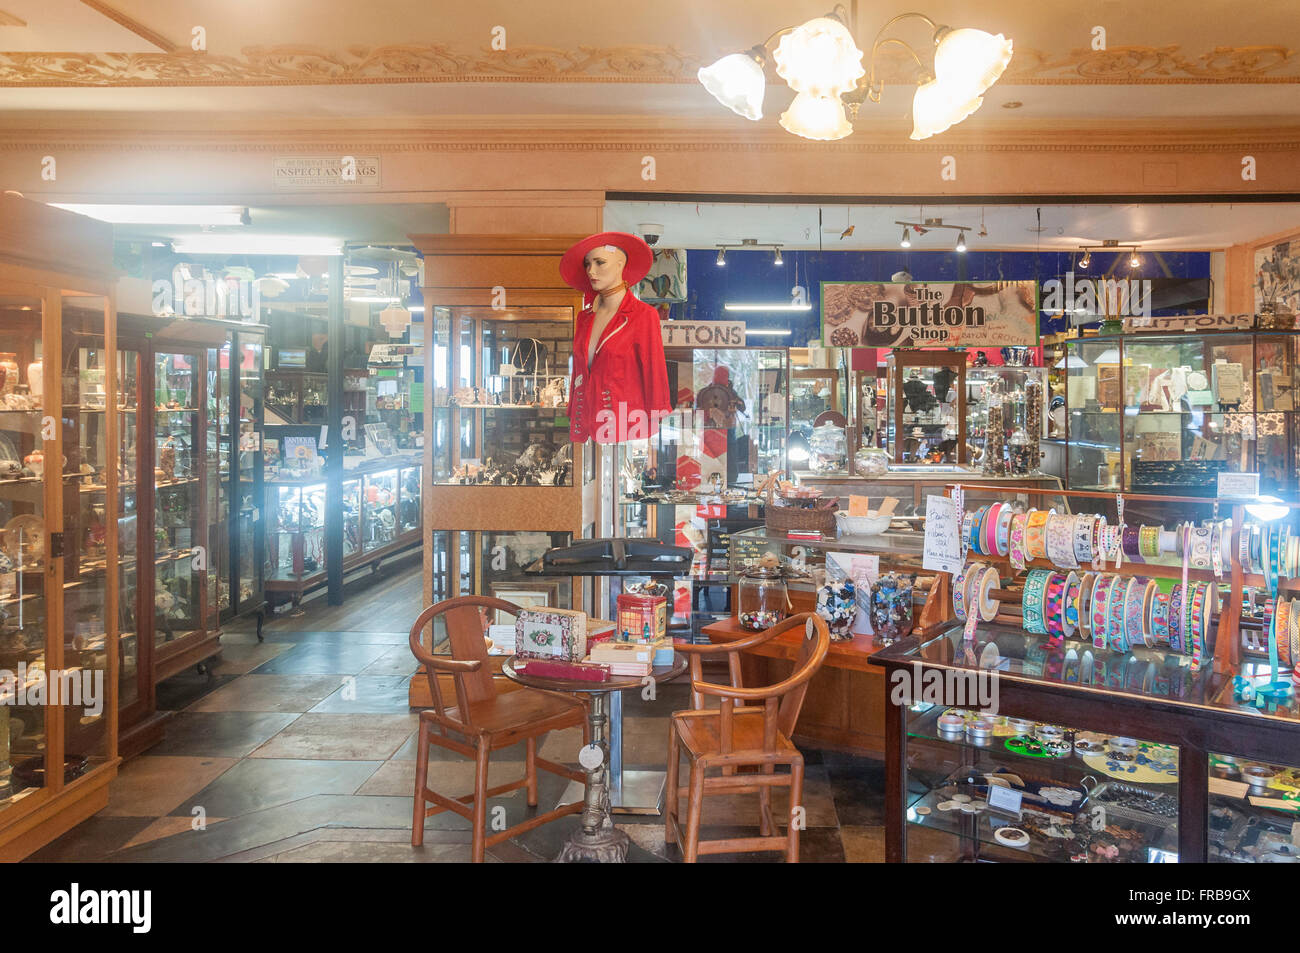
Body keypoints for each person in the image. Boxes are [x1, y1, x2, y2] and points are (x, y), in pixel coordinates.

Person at [559, 232, 671, 444]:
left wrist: (657, 413)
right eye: (588, 264)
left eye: (600, 262)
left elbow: (654, 369)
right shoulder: (584, 317)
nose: (591, 270)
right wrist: (574, 410)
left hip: (627, 425)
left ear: (620, 264)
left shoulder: (643, 315)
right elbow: (579, 373)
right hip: (589, 422)